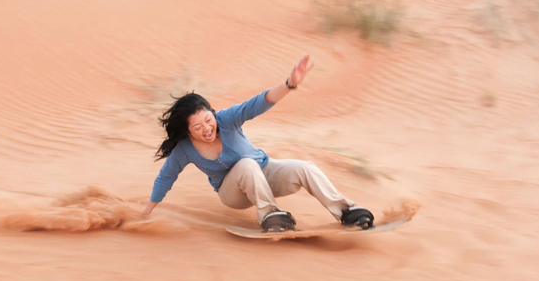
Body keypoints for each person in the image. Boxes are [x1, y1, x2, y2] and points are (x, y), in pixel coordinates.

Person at [142, 54, 374, 232]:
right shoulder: (185, 149)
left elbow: (258, 103)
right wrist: (146, 212)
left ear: (213, 114)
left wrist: (290, 84)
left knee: (305, 167)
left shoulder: (227, 119)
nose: (207, 128)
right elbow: (166, 177)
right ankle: (270, 215)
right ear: (187, 131)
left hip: (264, 174)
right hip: (233, 193)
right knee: (245, 165)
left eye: (208, 120)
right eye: (197, 127)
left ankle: (346, 211)